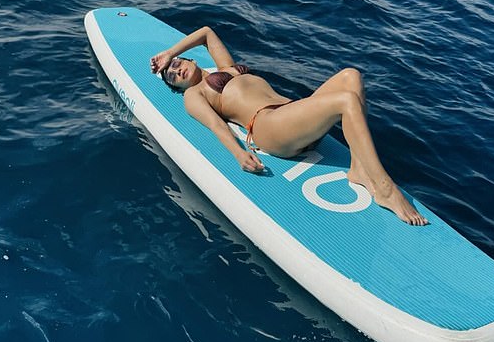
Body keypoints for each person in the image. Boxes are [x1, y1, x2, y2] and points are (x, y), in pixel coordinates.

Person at [150, 26, 428, 226]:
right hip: (268, 127)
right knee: (346, 101)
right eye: (172, 76)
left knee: (350, 77)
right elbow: (215, 125)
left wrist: (169, 52)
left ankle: (357, 168)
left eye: (176, 65)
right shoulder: (194, 94)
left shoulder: (225, 67)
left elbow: (207, 32)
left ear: (191, 58)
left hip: (290, 114)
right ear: (178, 86)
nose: (176, 71)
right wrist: (238, 154)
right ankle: (385, 188)